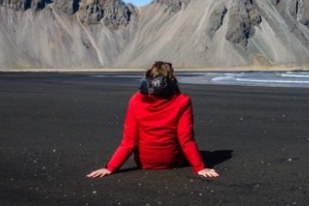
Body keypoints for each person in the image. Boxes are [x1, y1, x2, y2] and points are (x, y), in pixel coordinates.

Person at [87, 61, 219, 178]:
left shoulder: (135, 100)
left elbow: (129, 142)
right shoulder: (182, 101)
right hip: (173, 161)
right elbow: (186, 139)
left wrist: (110, 167)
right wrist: (199, 167)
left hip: (144, 163)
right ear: (171, 80)